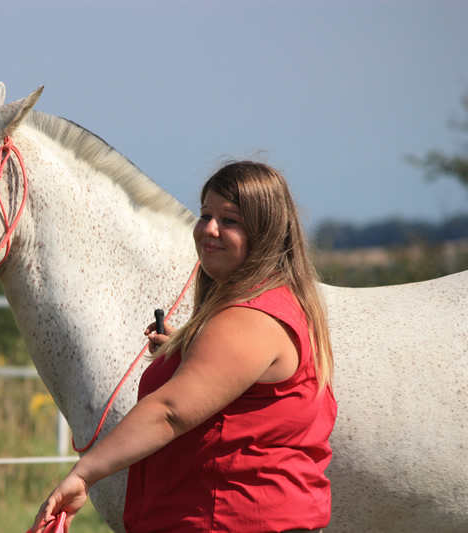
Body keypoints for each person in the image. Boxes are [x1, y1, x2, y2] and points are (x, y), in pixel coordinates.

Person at [31, 160, 337, 532]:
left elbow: (169, 412)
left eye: (230, 220)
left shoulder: (250, 319)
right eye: (205, 214)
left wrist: (83, 475)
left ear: (265, 232)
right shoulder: (269, 307)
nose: (209, 229)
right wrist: (189, 348)